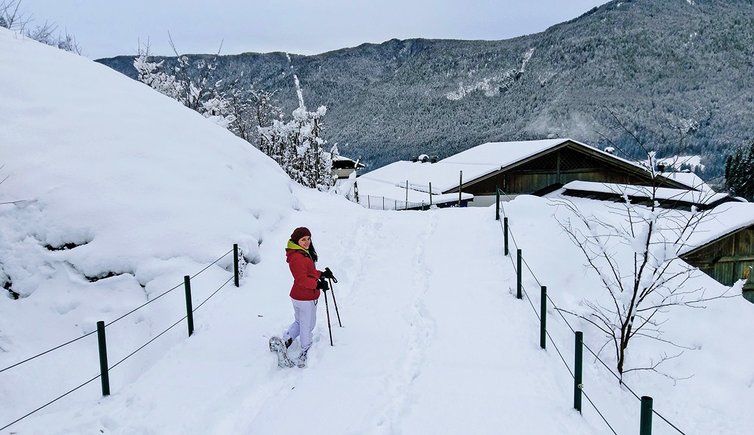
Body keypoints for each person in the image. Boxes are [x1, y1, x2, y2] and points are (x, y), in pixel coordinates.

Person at [280, 226, 334, 368]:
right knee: (307, 325)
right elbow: (302, 280)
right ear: (296, 241)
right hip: (305, 297)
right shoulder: (298, 257)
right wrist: (318, 285)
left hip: (300, 296)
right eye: (303, 239)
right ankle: (306, 349)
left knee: (300, 322)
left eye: (308, 239)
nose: (307, 242)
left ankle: (286, 339)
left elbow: (308, 272)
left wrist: (321, 274)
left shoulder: (301, 253)